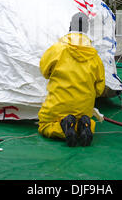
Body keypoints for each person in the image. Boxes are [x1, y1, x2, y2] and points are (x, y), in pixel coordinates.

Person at [38, 12, 105, 147]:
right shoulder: (94, 55)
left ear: (70, 26)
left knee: (45, 125)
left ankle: (64, 126)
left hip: (58, 105)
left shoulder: (58, 48)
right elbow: (99, 88)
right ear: (86, 29)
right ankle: (84, 125)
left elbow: (44, 71)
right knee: (85, 118)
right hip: (84, 107)